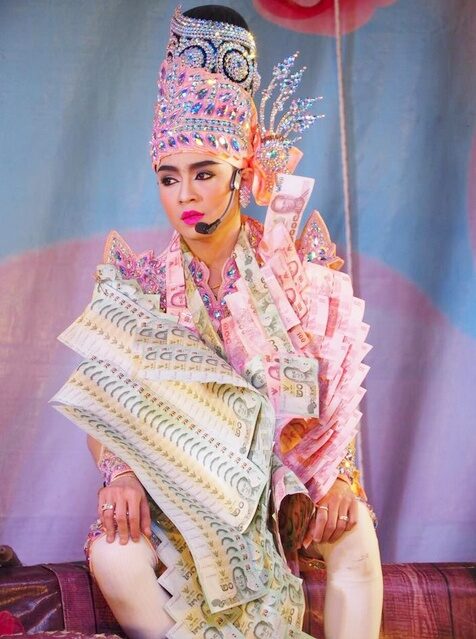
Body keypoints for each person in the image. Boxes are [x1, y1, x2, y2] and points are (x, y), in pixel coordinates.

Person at [51, 5, 383, 639]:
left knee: (355, 537)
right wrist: (121, 474)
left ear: (241, 173)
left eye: (204, 174)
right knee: (114, 556)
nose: (186, 196)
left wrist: (340, 479)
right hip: (180, 493)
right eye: (169, 178)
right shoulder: (140, 284)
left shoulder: (291, 268)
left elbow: (332, 389)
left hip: (283, 488)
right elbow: (106, 402)